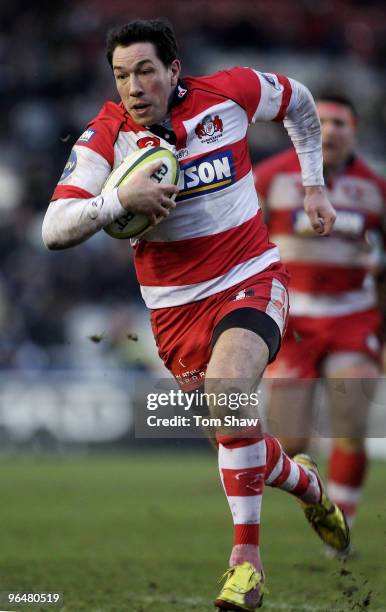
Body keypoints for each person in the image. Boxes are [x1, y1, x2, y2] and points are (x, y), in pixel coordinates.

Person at [42, 19, 349, 611]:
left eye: (146, 71)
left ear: (174, 70)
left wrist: (313, 184)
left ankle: (245, 565)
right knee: (237, 436)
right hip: (176, 317)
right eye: (121, 75)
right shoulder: (105, 139)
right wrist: (116, 202)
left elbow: (300, 102)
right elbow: (54, 230)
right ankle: (309, 485)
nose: (134, 86)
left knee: (229, 391)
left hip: (251, 278)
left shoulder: (229, 93)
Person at [254, 94, 386, 557]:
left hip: (353, 316)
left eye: (339, 123)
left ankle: (342, 527)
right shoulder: (270, 178)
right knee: (290, 441)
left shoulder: (375, 188)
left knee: (351, 422)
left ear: (354, 130)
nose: (329, 131)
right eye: (320, 122)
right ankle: (317, 497)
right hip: (292, 321)